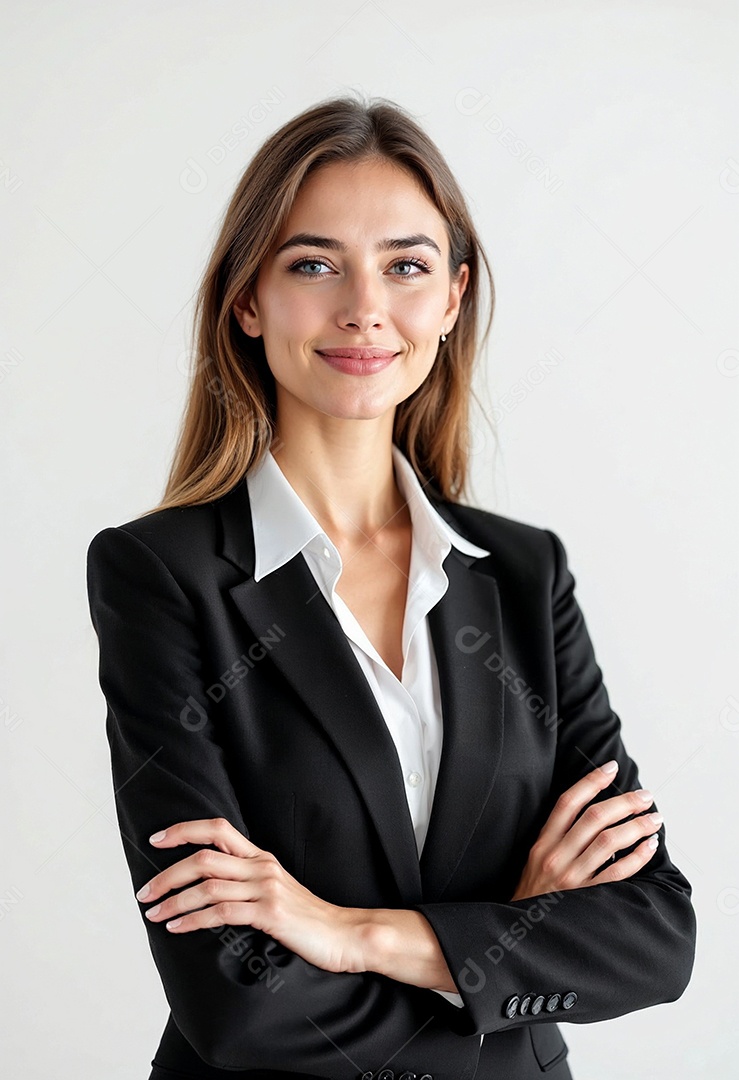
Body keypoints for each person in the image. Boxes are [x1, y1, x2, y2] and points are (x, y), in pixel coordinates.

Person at [86, 95, 696, 1080]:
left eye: (405, 266)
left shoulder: (523, 576)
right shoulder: (162, 575)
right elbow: (233, 1003)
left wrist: (348, 933)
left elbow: (655, 938)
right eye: (313, 264)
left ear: (451, 300)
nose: (363, 306)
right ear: (247, 300)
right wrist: (506, 936)